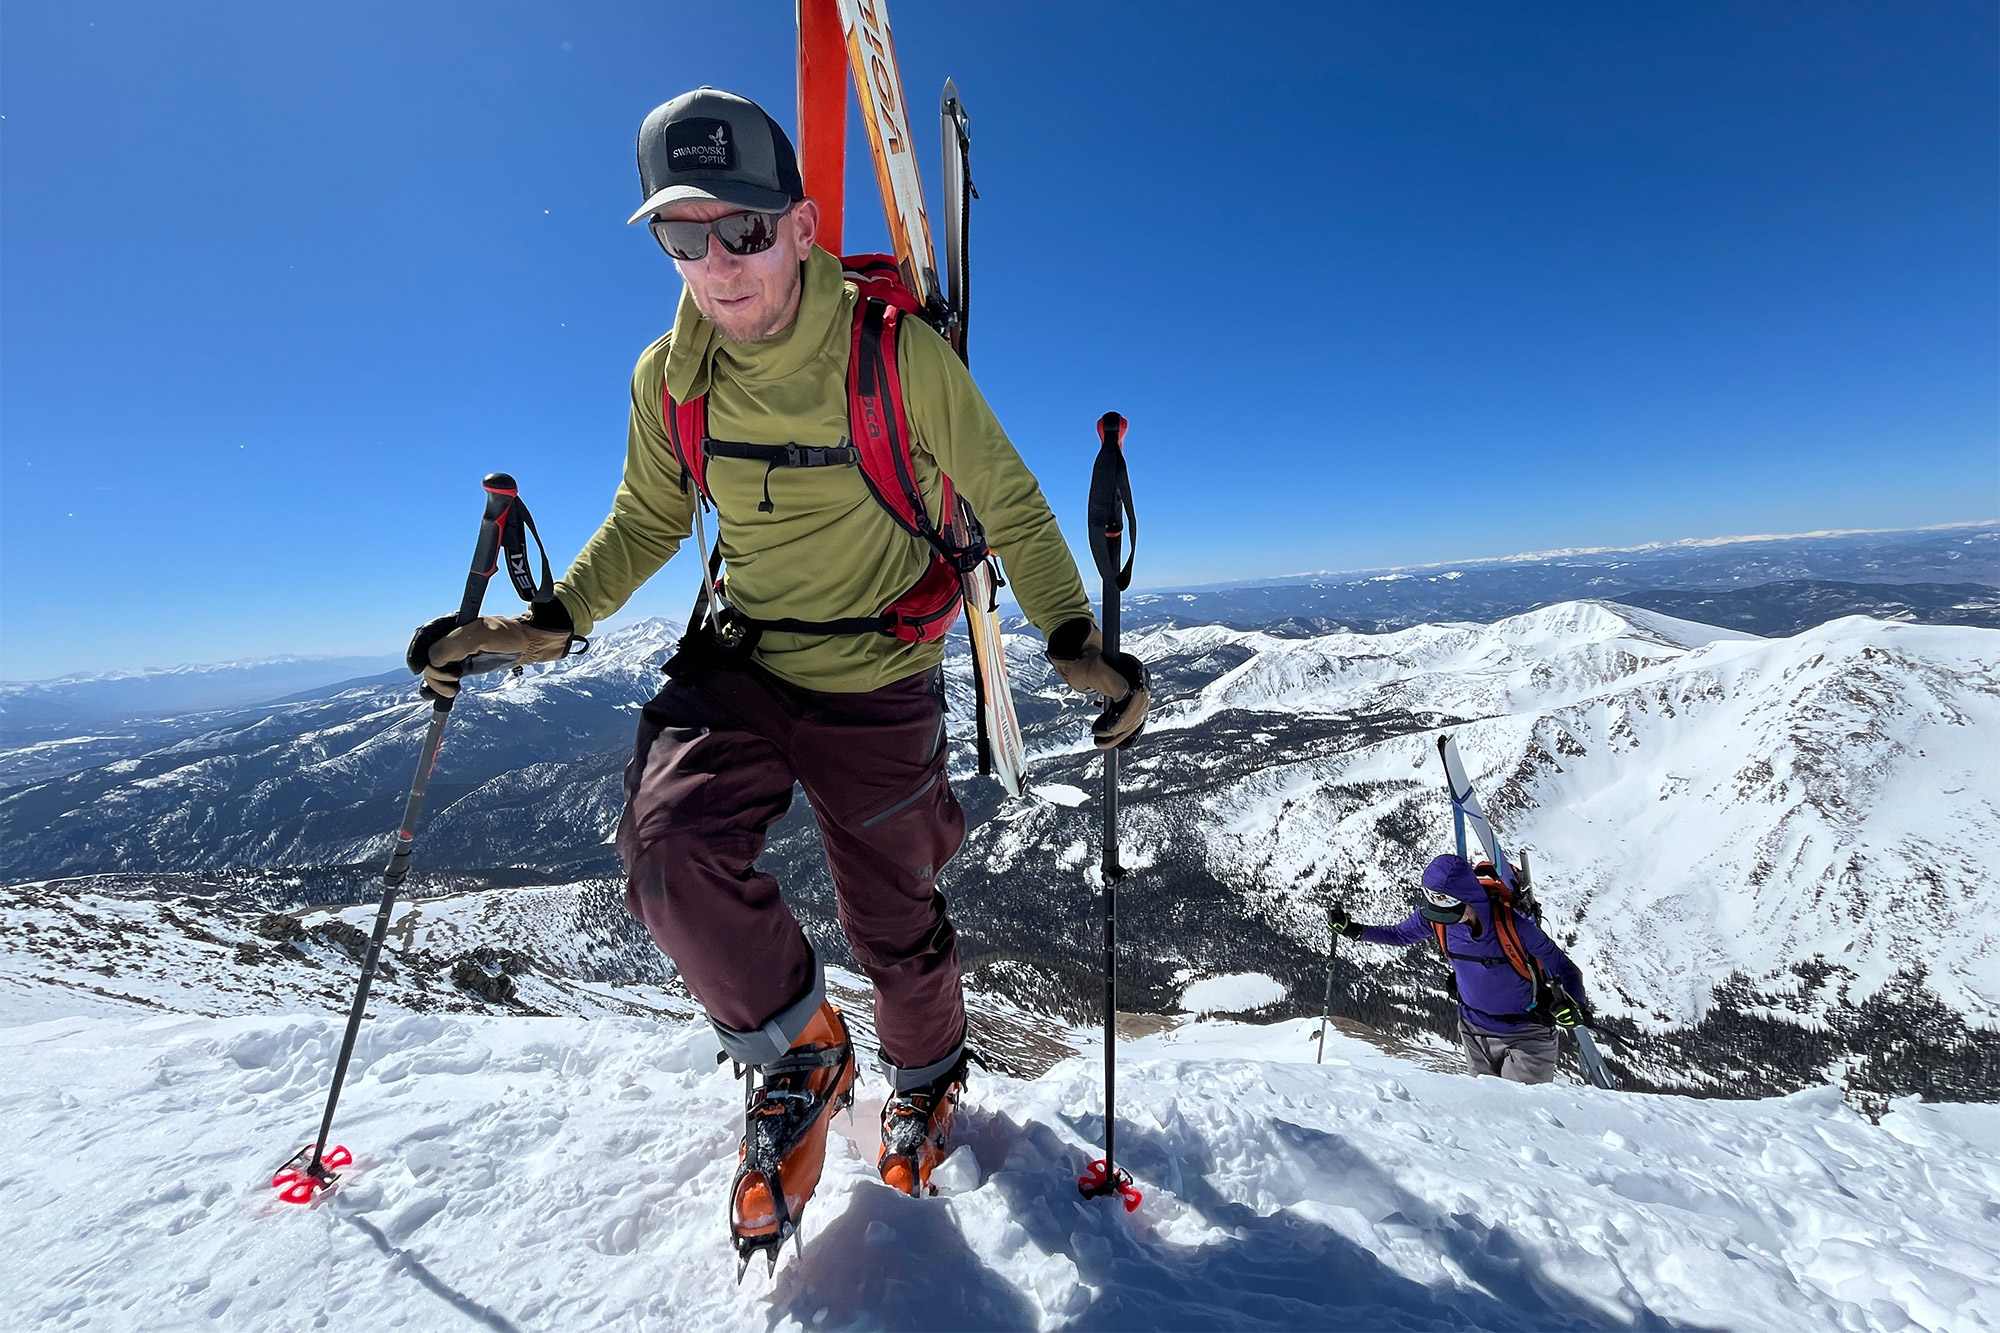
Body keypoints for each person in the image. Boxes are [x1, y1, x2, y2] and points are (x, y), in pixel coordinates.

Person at [406, 88, 1148, 1262]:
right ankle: (801, 1049)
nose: (717, 263)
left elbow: (1007, 500)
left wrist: (1068, 637)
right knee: (664, 851)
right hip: (744, 654)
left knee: (893, 918)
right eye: (682, 235)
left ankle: (924, 1076)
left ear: (800, 227)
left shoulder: (894, 357)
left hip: (877, 670)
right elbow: (647, 522)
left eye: (742, 228)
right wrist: (550, 620)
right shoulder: (668, 377)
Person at [1333, 853, 1587, 1085]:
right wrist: (1355, 931)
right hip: (1473, 1029)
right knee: (1488, 1112)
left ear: (1470, 897)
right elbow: (1400, 935)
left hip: (1527, 1034)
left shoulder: (1515, 927)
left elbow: (1566, 969)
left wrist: (1573, 1003)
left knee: (1522, 1116)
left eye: (1454, 911)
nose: (1446, 918)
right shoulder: (1436, 918)